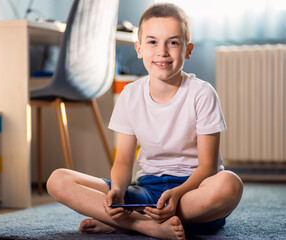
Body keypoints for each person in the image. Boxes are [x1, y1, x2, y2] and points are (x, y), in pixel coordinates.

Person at [46, 3, 243, 240]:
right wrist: (118, 190)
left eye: (173, 42)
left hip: (192, 193)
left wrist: (178, 194)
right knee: (58, 180)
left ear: (188, 50)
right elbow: (123, 160)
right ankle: (145, 226)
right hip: (147, 192)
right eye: (152, 42)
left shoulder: (202, 93)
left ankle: (124, 222)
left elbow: (208, 168)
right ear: (139, 48)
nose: (162, 51)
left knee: (230, 184)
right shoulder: (130, 94)